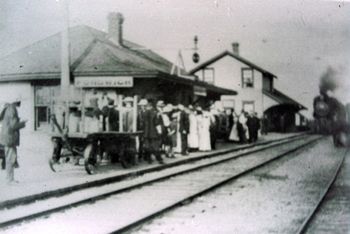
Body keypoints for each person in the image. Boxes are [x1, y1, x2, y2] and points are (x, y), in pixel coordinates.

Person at [0, 97, 26, 185]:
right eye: (19, 101)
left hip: (6, 137)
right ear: (16, 101)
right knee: (10, 158)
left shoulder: (7, 108)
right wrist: (23, 123)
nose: (20, 103)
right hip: (10, 138)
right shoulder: (12, 109)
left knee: (9, 158)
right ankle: (10, 180)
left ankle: (10, 179)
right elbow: (14, 125)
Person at [143, 100, 164, 164]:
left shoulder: (144, 113)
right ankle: (159, 159)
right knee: (155, 146)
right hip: (153, 133)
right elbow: (157, 123)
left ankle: (149, 160)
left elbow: (142, 123)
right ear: (151, 106)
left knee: (148, 146)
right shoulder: (154, 113)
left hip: (146, 133)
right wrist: (160, 131)